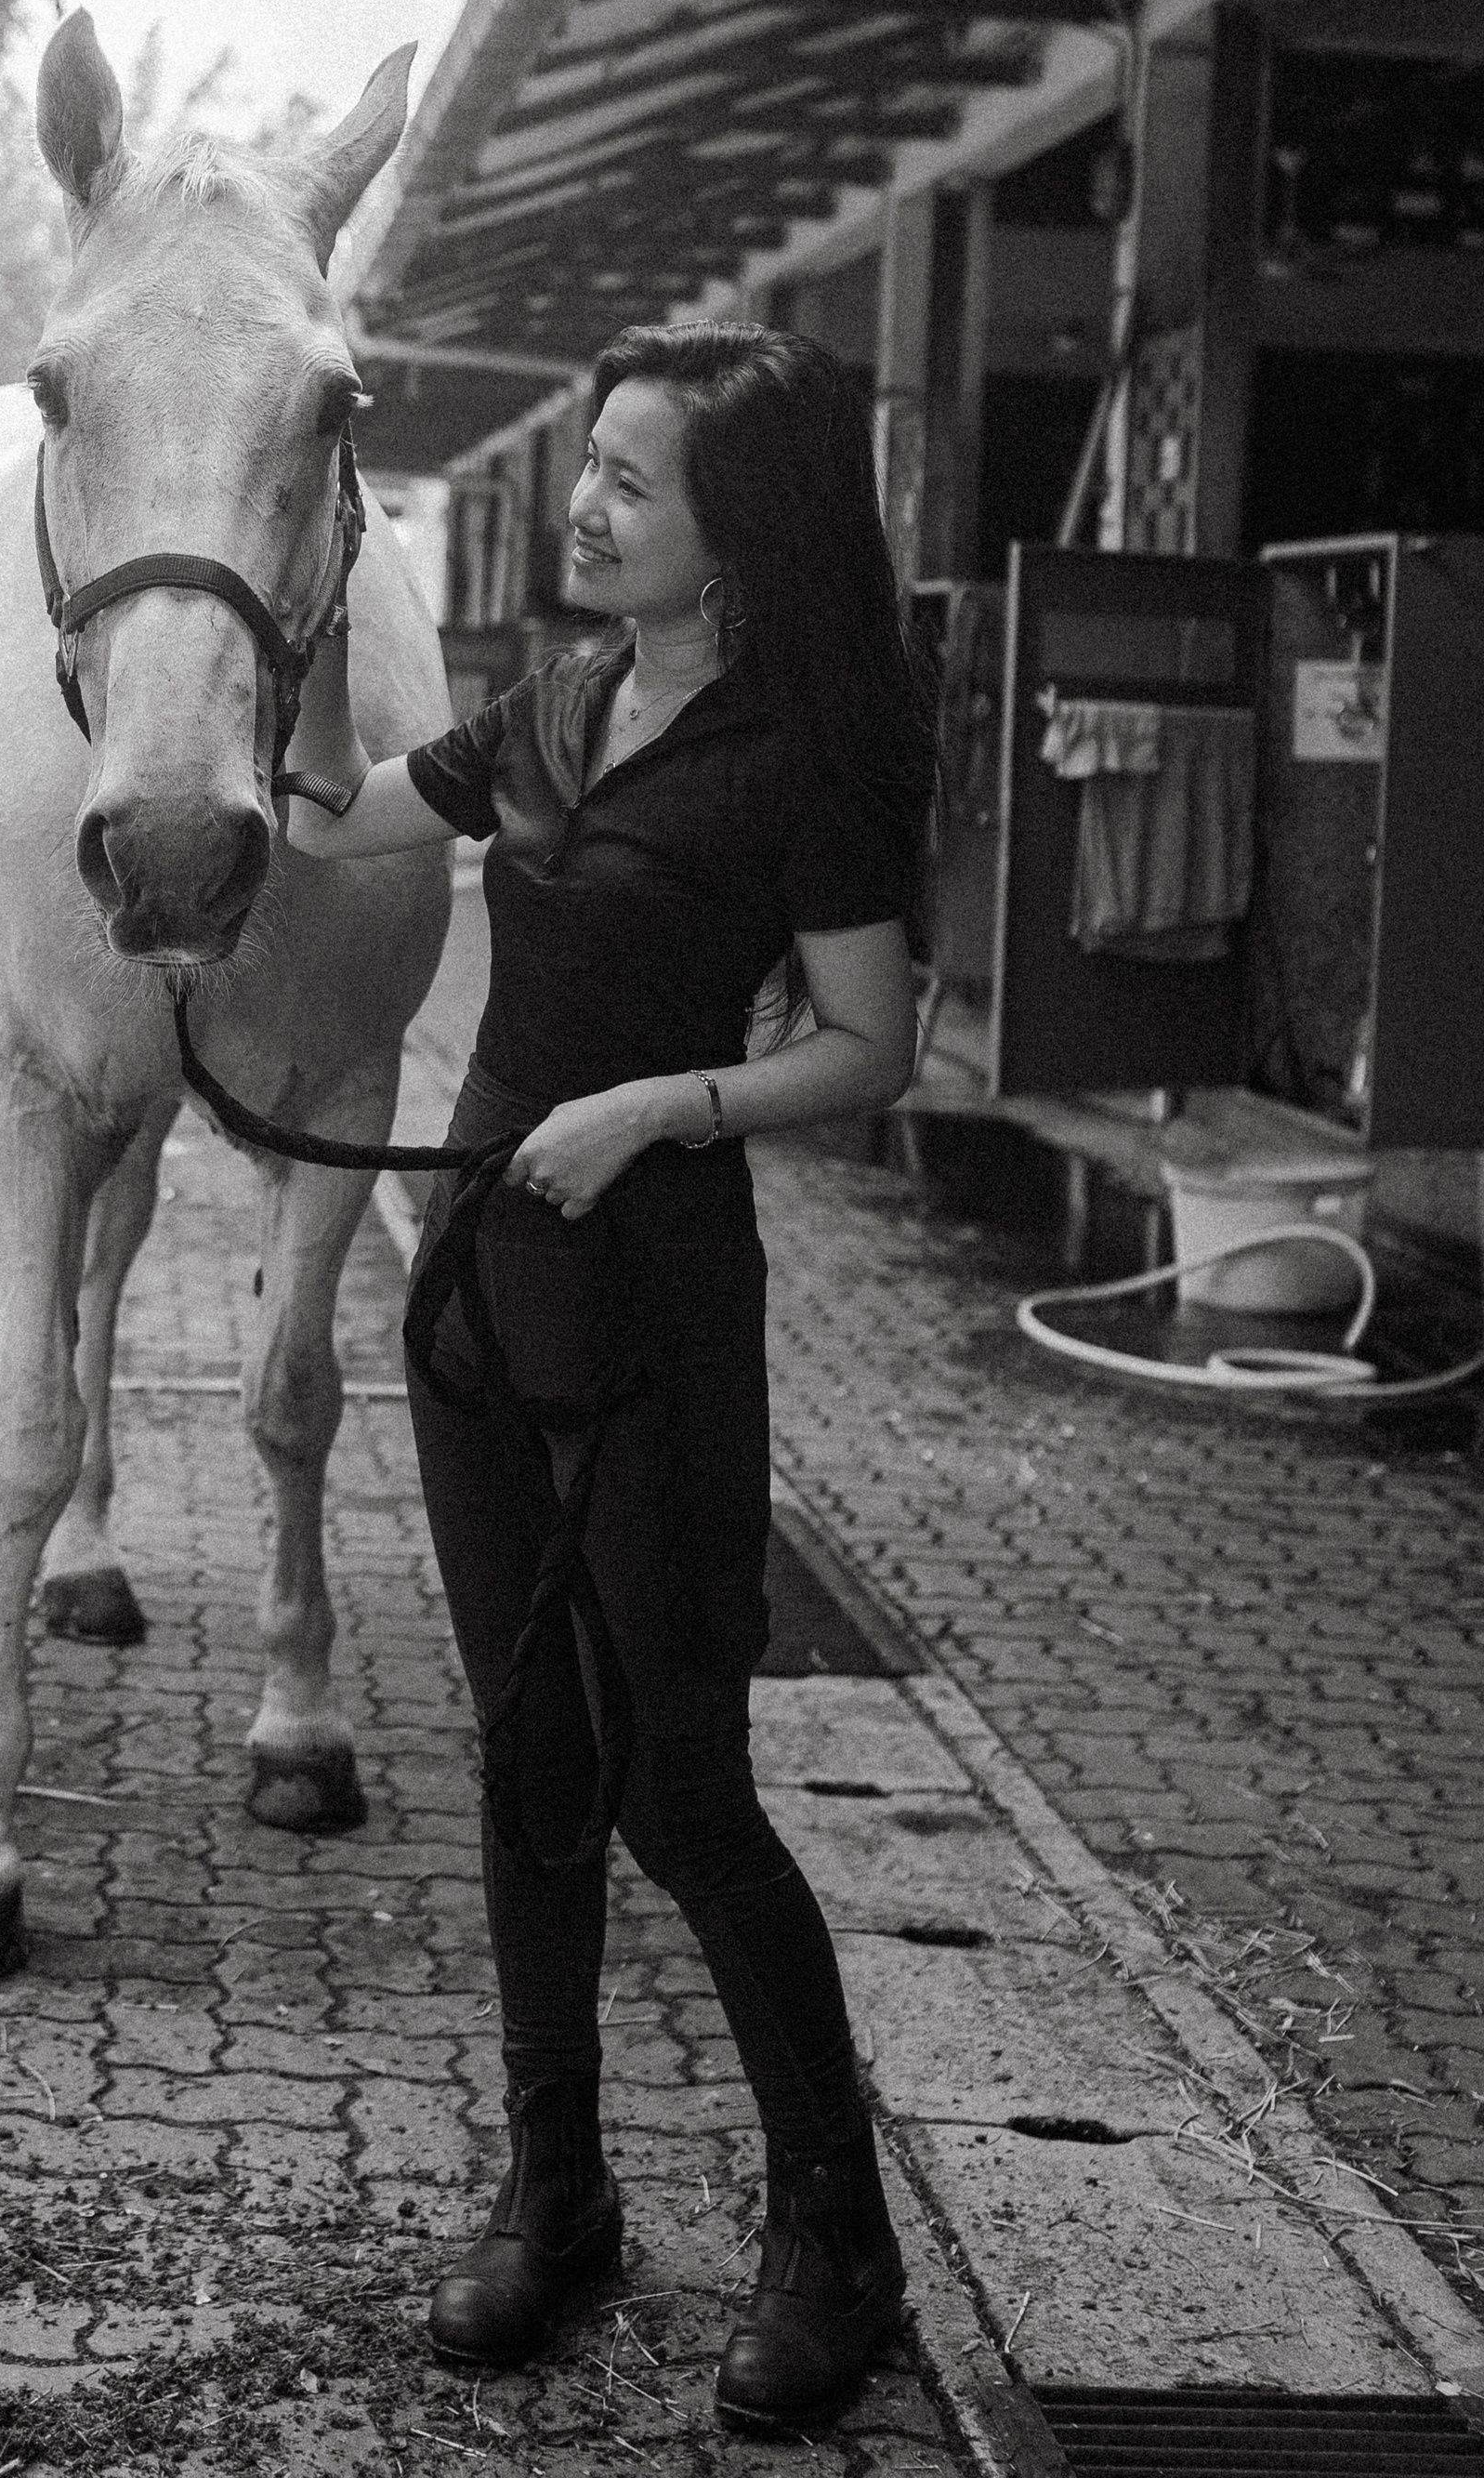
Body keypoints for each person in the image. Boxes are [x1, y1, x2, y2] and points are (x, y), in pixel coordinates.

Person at [279, 321, 931, 2435]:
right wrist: (240, 634)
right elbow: (339, 815)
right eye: (592, 465)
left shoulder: (800, 752)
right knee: (523, 1763)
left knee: (681, 1788)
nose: (585, 503)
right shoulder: (548, 711)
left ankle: (837, 2241)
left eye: (632, 483)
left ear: (731, 531)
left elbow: (867, 1045)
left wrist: (662, 1102)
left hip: (650, 1303)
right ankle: (557, 2202)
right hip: (473, 1290)